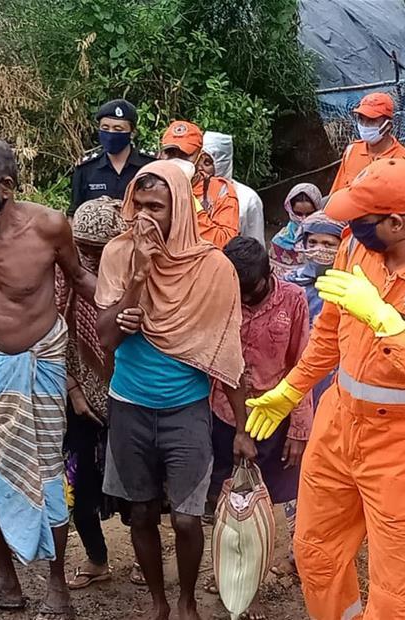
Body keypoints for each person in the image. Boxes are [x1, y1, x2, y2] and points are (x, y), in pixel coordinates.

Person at [245, 158, 405, 620]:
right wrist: (291, 391)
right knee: (316, 555)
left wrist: (387, 323)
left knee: (394, 599)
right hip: (338, 428)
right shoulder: (356, 249)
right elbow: (328, 331)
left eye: (360, 218)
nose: (349, 226)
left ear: (396, 222)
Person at [0, 138, 96, 617]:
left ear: (4, 187)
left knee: (47, 474)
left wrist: (127, 301)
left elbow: (83, 281)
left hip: (40, 364)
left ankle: (56, 584)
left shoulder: (48, 226)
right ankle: (6, 581)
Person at [95, 160, 254, 620]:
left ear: (181, 209)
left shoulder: (214, 268)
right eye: (138, 204)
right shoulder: (118, 254)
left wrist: (242, 429)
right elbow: (106, 335)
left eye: (157, 207)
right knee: (141, 512)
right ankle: (159, 603)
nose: (144, 217)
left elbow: (228, 355)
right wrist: (138, 278)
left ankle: (186, 601)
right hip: (129, 407)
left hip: (186, 410)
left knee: (187, 518)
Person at [209, 237, 313, 603]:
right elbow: (221, 363)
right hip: (226, 414)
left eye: (251, 292)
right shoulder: (222, 297)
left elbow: (303, 364)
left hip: (275, 420)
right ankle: (227, 573)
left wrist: (299, 428)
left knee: (264, 506)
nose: (245, 300)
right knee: (230, 505)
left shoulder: (293, 300)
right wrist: (238, 428)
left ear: (269, 276)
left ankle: (252, 584)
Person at [54, 197, 131, 590]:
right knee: (80, 488)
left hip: (132, 397)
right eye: (85, 250)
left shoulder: (137, 275)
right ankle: (97, 557)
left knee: (139, 489)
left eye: (101, 252)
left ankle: (143, 558)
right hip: (81, 395)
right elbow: (55, 337)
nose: (92, 260)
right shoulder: (63, 276)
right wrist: (73, 389)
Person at [282, 211, 346, 408]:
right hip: (295, 368)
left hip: (334, 371)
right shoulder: (290, 283)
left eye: (328, 245)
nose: (319, 250)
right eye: (313, 243)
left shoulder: (349, 287)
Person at [159, 120, 240, 249]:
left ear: (200, 158)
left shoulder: (221, 191)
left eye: (185, 155)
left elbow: (225, 244)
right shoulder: (150, 186)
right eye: (171, 154)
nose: (176, 161)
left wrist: (188, 199)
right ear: (160, 155)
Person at [70, 99, 156, 216]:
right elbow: (73, 214)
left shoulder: (150, 165)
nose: (110, 134)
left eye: (118, 129)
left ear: (132, 133)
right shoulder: (86, 168)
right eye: (105, 128)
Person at [329, 92, 405, 194]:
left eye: (372, 120)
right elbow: (337, 193)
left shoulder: (404, 162)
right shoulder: (352, 151)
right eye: (361, 119)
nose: (364, 125)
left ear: (388, 126)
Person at [201, 132, 266, 247]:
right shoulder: (187, 192)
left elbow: (255, 247)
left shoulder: (247, 198)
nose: (199, 168)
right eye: (197, 161)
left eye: (207, 162)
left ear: (221, 164)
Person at [270, 183, 323, 276]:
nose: (303, 219)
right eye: (298, 214)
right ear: (290, 210)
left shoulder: (328, 237)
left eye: (309, 214)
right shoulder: (278, 241)